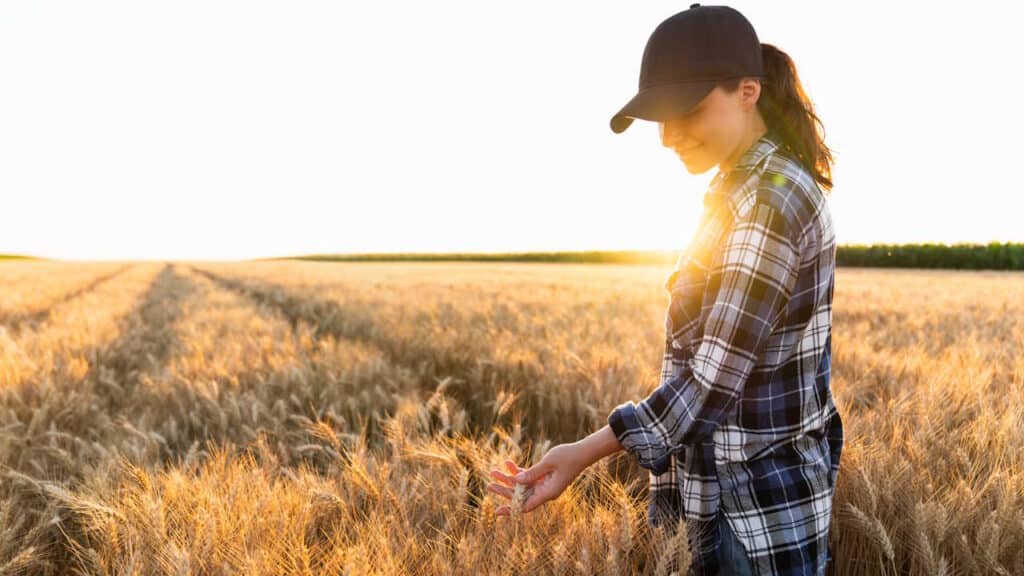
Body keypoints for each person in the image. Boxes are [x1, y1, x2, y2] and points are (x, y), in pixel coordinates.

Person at [487, 4, 843, 576]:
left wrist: (582, 453)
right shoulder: (738, 189)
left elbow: (709, 384)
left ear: (748, 91)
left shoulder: (771, 201)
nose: (668, 137)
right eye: (660, 117)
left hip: (752, 521)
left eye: (687, 111)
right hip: (721, 504)